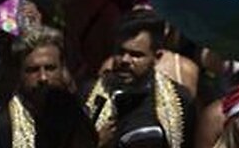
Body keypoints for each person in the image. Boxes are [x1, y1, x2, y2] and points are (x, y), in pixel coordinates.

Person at [84, 9, 196, 147]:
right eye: (120, 52)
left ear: (157, 57)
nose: (125, 60)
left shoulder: (180, 100)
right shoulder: (90, 97)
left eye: (136, 55)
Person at [0, 27, 96, 148]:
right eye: (33, 70)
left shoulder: (77, 119)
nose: (43, 78)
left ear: (62, 69)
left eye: (50, 68)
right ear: (19, 73)